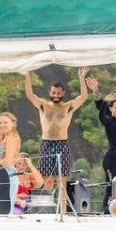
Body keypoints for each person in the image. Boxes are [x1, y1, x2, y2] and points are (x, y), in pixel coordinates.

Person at [22, 67, 89, 211]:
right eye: (53, 92)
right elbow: (29, 94)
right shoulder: (43, 105)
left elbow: (83, 97)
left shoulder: (67, 106)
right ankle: (47, 210)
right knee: (47, 181)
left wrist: (81, 78)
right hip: (46, 144)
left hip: (62, 143)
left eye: (59, 93)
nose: (56, 95)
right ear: (49, 92)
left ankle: (63, 212)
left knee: (62, 182)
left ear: (63, 93)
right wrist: (27, 75)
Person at [86, 76, 116, 212]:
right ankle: (105, 209)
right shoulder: (109, 122)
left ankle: (114, 208)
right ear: (111, 109)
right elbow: (101, 116)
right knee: (111, 185)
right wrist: (105, 102)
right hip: (111, 159)